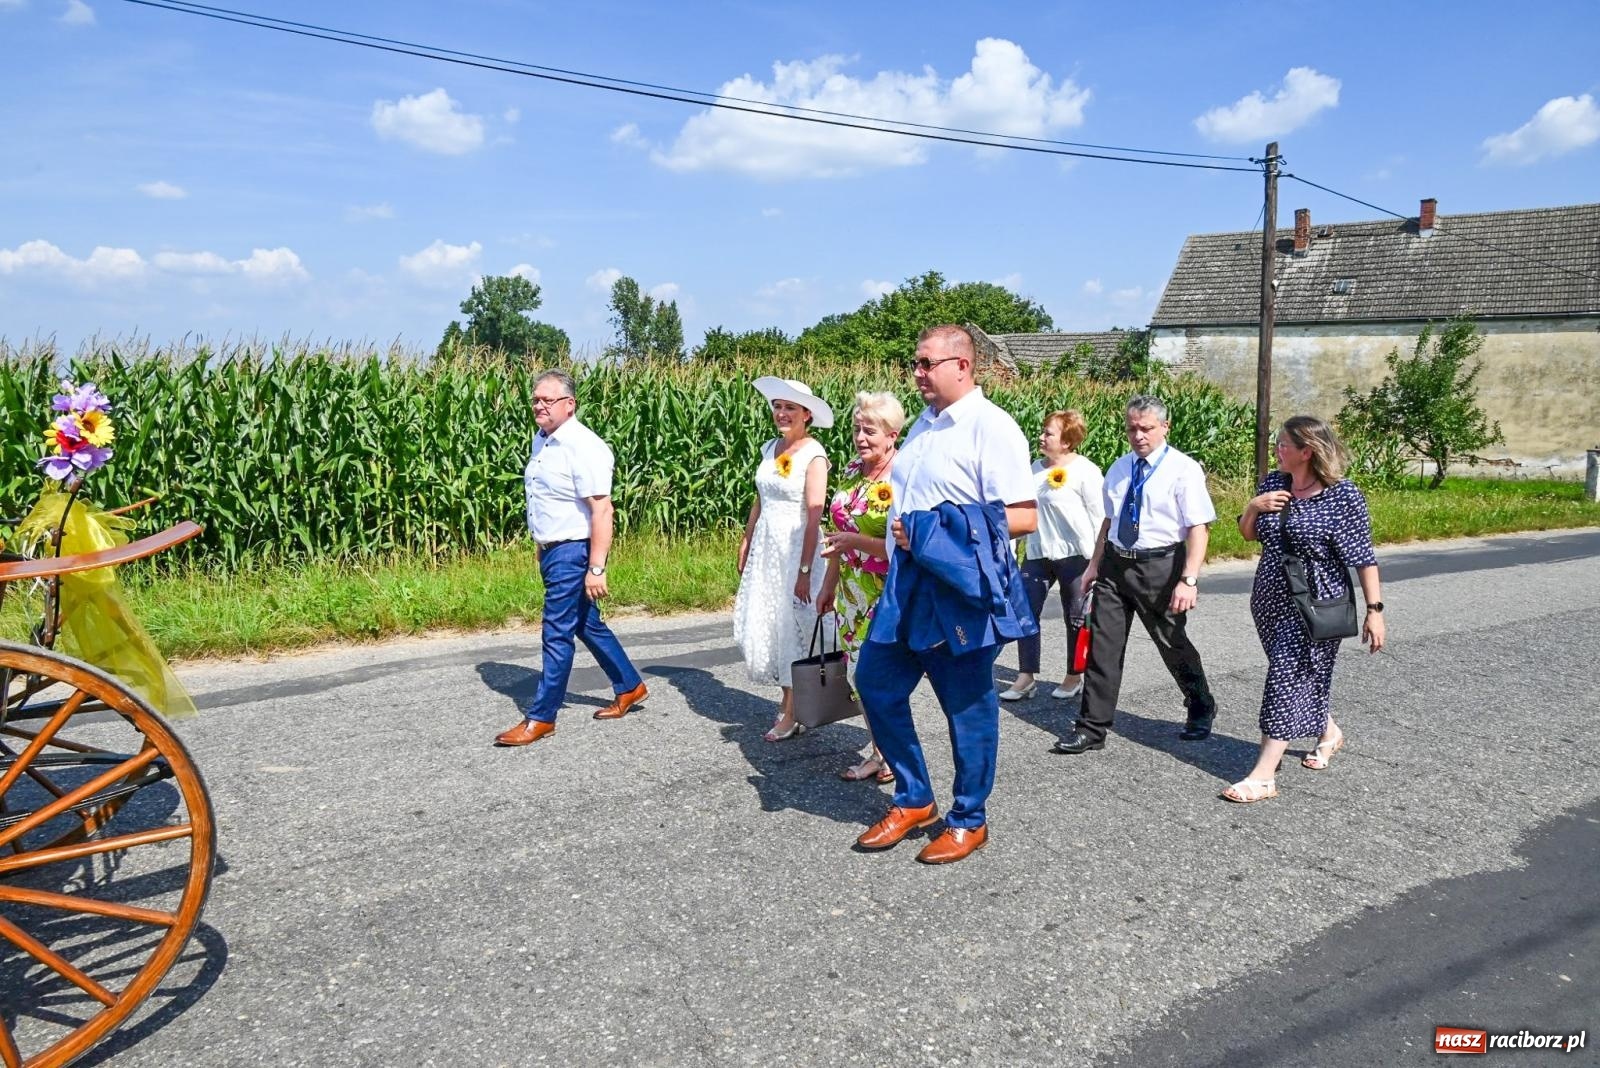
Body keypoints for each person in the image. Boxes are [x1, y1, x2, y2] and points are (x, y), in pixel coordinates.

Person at [853, 325, 1038, 865]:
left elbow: (1023, 514)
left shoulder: (991, 427)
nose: (916, 373)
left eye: (925, 363)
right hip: (907, 581)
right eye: (914, 363)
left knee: (967, 706)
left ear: (962, 365)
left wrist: (934, 531)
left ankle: (969, 818)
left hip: (958, 587)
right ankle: (914, 798)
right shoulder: (924, 428)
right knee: (875, 682)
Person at [1222, 416, 1386, 803]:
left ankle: (1263, 775)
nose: (1277, 450)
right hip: (1269, 596)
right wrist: (1253, 507)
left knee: (1285, 676)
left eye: (1283, 445)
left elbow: (1363, 558)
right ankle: (1328, 732)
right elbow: (1249, 535)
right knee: (1294, 673)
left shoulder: (1343, 495)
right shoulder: (1275, 484)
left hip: (1317, 603)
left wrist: (1374, 610)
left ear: (1306, 451)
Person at [1052, 394, 1218, 755]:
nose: (1138, 435)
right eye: (1132, 429)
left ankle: (1200, 703)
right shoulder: (1119, 468)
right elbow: (1109, 522)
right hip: (1115, 564)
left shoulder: (1183, 469)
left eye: (1146, 428)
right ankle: (1092, 728)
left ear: (1164, 428)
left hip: (1160, 565)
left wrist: (1189, 579)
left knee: (1171, 642)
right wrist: (1094, 567)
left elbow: (1198, 528)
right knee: (1102, 647)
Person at [496, 370, 648, 746]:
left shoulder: (585, 446)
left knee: (556, 632)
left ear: (569, 404)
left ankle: (542, 717)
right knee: (585, 624)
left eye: (547, 400)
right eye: (535, 399)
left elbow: (602, 510)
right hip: (552, 549)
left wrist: (597, 567)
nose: (539, 406)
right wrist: (540, 544)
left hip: (574, 551)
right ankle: (630, 685)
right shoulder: (543, 441)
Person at [732, 377, 832, 742]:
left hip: (795, 546)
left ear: (806, 414)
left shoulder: (813, 454)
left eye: (790, 407)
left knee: (793, 624)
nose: (782, 413)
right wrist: (747, 538)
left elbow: (814, 513)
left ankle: (792, 711)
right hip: (767, 546)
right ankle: (789, 700)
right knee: (771, 620)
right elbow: (760, 498)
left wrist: (805, 570)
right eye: (778, 406)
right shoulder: (768, 448)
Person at [816, 391, 905, 783]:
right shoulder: (854, 470)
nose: (861, 437)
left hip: (887, 590)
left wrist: (854, 544)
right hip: (852, 589)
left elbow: (904, 545)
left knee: (878, 676)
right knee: (859, 676)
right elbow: (840, 533)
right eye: (857, 429)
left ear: (892, 435)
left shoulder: (902, 478)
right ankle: (879, 751)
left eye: (870, 431)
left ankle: (893, 756)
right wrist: (829, 585)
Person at [999, 409, 1105, 702]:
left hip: (1075, 555)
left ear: (1068, 441)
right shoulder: (1034, 468)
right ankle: (1026, 676)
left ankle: (1074, 675)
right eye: (1043, 431)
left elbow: (1101, 519)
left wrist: (1100, 561)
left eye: (1049, 433)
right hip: (1037, 552)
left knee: (1075, 616)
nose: (1041, 437)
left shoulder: (1087, 471)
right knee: (1026, 612)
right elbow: (1022, 513)